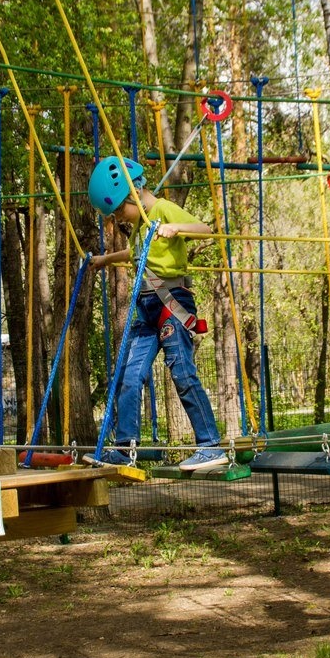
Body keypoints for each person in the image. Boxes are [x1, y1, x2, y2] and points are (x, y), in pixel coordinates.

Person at [86, 156, 227, 471]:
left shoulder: (162, 210)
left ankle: (210, 445)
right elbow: (134, 254)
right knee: (128, 375)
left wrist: (177, 228)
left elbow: (205, 230)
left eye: (120, 209)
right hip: (146, 309)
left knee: (181, 370)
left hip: (171, 302)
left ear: (134, 193)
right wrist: (104, 260)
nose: (120, 217)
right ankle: (126, 448)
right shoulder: (139, 227)